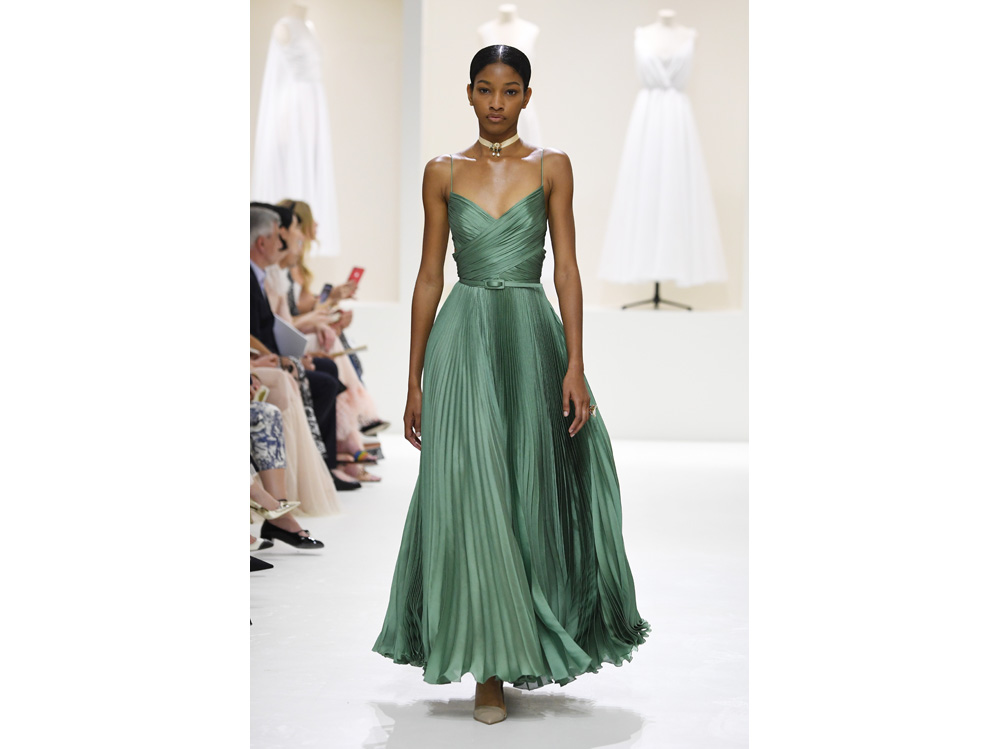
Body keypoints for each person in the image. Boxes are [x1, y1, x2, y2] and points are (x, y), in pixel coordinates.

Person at [372, 45, 650, 725]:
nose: (496, 102)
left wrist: (575, 362)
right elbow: (430, 276)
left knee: (530, 487)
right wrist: (413, 380)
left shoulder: (553, 166)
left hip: (530, 335)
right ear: (469, 93)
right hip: (463, 337)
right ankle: (488, 669)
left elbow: (568, 270)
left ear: (527, 95)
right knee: (472, 491)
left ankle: (526, 636)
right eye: (485, 89)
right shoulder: (442, 171)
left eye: (510, 90)